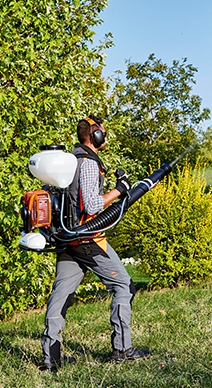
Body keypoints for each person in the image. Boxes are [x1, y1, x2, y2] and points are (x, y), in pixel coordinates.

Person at [40, 115, 149, 371]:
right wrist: (119, 191)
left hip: (67, 237)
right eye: (103, 133)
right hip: (86, 237)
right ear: (95, 136)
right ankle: (122, 349)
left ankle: (50, 358)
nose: (106, 137)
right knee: (124, 285)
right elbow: (91, 204)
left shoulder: (69, 160)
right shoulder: (88, 163)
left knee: (61, 295)